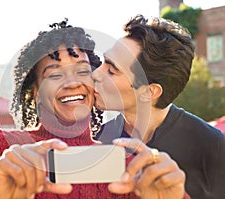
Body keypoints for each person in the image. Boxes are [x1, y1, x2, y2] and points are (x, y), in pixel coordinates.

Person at [0, 19, 188, 199]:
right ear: (34, 91)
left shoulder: (129, 164)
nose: (72, 83)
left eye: (82, 71)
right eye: (54, 75)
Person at [92, 14, 225, 199]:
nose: (95, 74)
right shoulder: (97, 139)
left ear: (150, 92)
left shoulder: (213, 147)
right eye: (103, 62)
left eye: (112, 70)